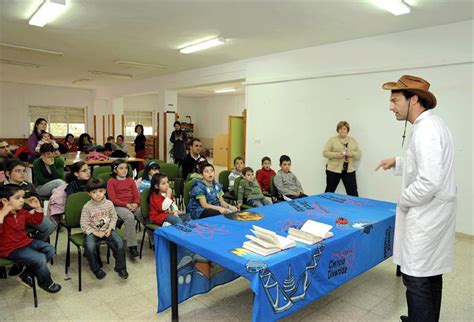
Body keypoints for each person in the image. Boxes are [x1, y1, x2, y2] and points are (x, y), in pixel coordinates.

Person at [375, 75, 456, 322]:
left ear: (414, 100)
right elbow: (425, 164)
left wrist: (403, 199)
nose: (390, 106)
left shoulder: (426, 131)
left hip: (426, 216)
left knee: (417, 277)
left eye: (395, 100)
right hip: (435, 214)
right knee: (431, 273)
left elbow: (429, 181)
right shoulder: (431, 125)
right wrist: (398, 162)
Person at [0, 184, 61, 293]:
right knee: (40, 258)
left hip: (25, 242)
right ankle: (46, 283)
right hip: (9, 249)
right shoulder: (1, 215)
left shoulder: (21, 212)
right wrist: (2, 215)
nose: (22, 201)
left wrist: (38, 209)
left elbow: (35, 221)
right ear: (5, 200)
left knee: (50, 250)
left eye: (22, 197)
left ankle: (26, 275)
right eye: (17, 198)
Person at [80, 178, 128, 279]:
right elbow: (84, 224)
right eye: (94, 192)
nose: (98, 194)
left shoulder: (109, 204)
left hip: (107, 230)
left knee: (119, 243)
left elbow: (114, 217)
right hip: (93, 232)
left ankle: (121, 267)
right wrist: (95, 232)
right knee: (90, 246)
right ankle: (96, 269)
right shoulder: (87, 207)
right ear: (89, 193)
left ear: (105, 191)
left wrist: (110, 228)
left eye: (101, 191)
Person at [107, 159, 143, 258]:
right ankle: (132, 246)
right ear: (115, 170)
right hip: (118, 205)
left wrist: (136, 203)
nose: (124, 170)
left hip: (132, 204)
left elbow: (136, 195)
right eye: (121, 168)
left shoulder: (130, 180)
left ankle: (154, 240)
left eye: (126, 168)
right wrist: (126, 205)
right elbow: (112, 199)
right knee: (129, 217)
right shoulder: (111, 181)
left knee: (143, 213)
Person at [322, 121, 361, 196]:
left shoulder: (353, 140)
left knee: (353, 192)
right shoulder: (332, 140)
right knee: (329, 191)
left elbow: (358, 154)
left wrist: (352, 153)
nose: (342, 130)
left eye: (344, 129)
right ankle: (323, 206)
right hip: (333, 170)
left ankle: (355, 207)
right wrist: (337, 155)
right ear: (337, 130)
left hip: (349, 170)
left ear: (347, 130)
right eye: (340, 129)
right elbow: (325, 153)